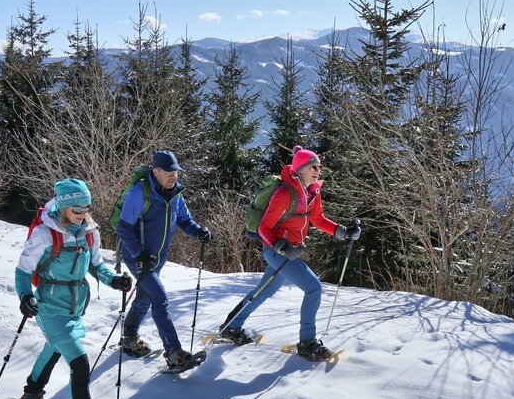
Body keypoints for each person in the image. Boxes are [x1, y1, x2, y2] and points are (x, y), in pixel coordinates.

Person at [15, 178, 133, 399]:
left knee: (55, 348)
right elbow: (22, 272)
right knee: (80, 364)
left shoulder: (90, 232)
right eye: (78, 207)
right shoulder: (46, 234)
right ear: (65, 207)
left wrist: (114, 280)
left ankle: (32, 394)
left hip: (76, 306)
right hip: (50, 308)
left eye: (87, 206)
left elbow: (95, 265)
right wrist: (24, 296)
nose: (84, 212)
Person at [219, 146, 361, 360]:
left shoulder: (312, 192)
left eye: (319, 166)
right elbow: (264, 227)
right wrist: (282, 247)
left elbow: (318, 219)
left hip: (291, 252)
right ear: (301, 169)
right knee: (313, 288)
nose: (318, 170)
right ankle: (307, 343)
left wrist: (342, 231)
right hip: (278, 251)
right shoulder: (285, 193)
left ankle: (231, 326)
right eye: (313, 166)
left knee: (265, 290)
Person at [115, 150, 212, 371]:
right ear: (156, 171)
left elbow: (185, 220)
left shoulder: (176, 194)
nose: (173, 176)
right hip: (138, 258)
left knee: (146, 298)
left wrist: (198, 231)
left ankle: (129, 338)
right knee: (159, 298)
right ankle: (174, 353)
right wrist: (138, 255)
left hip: (157, 259)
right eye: (168, 172)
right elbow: (124, 227)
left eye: (176, 171)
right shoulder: (139, 193)